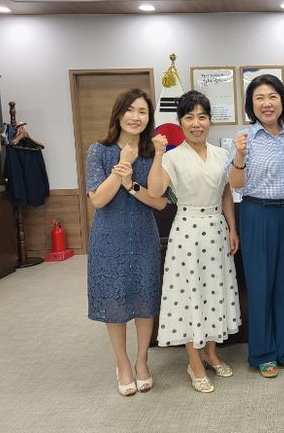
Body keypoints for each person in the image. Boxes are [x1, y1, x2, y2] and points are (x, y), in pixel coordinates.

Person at [148, 90, 241, 393]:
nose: (196, 123)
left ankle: (211, 353)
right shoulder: (172, 156)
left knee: (214, 293)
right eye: (189, 117)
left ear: (210, 120)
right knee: (190, 296)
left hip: (216, 229)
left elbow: (226, 193)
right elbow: (155, 191)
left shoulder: (222, 154)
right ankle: (194, 362)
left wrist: (232, 228)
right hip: (187, 230)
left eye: (202, 117)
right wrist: (158, 154)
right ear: (180, 122)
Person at [228, 74, 284, 378]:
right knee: (260, 285)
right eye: (259, 98)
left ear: (282, 101)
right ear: (251, 105)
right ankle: (263, 352)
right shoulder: (244, 138)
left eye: (272, 96)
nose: (267, 103)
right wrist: (239, 154)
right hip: (257, 214)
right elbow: (236, 184)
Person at [86, 88, 167, 396]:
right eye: (130, 110)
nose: (136, 117)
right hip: (109, 238)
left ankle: (142, 360)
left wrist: (132, 182)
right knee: (115, 301)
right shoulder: (99, 150)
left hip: (144, 236)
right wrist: (121, 165)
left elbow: (159, 201)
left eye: (142, 111)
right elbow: (98, 199)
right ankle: (122, 363)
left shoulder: (152, 152)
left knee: (145, 301)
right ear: (118, 114)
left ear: (149, 118)